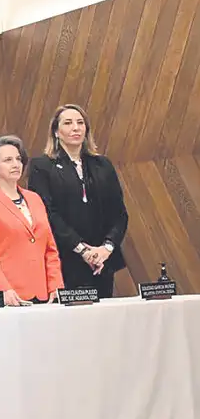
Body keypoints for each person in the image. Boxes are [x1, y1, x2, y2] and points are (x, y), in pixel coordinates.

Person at [27, 104, 129, 298]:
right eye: (68, 123)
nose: (76, 128)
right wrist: (82, 250)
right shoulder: (42, 166)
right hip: (65, 260)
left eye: (80, 123)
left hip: (102, 261)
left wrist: (106, 248)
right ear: (56, 132)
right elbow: (48, 214)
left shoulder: (103, 165)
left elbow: (120, 214)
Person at [0, 136, 63, 305]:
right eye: (8, 160)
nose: (16, 164)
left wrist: (56, 286)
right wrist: (3, 289)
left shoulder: (34, 199)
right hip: (6, 295)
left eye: (19, 159)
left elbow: (50, 249)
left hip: (43, 295)